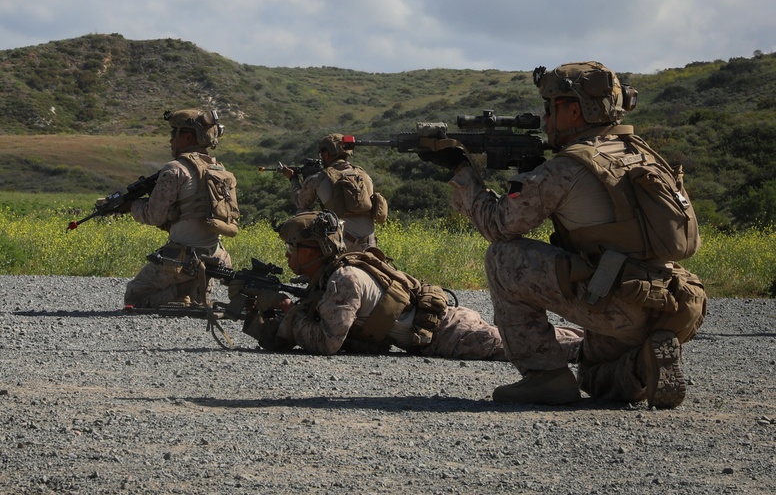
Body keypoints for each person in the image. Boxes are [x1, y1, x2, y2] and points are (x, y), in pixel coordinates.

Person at [423, 61, 707, 408]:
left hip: (615, 302)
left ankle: (545, 378)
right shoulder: (640, 152)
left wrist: (461, 170)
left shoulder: (568, 167)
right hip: (667, 302)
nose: (544, 119)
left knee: (502, 256)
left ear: (574, 111)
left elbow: (497, 225)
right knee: (595, 378)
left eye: (549, 109)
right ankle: (645, 361)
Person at [235, 210, 582, 362]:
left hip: (452, 335)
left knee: (528, 347)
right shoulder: (333, 275)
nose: (289, 255)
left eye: (295, 248)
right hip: (444, 330)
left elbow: (328, 342)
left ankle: (599, 346)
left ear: (317, 250)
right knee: (529, 339)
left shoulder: (344, 279)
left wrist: (291, 319)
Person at [122, 108, 238, 309]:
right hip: (216, 257)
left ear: (185, 137)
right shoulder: (219, 169)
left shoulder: (175, 169)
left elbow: (153, 216)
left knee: (134, 298)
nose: (170, 141)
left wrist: (132, 206)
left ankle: (182, 292)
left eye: (173, 134)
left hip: (183, 259)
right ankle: (194, 289)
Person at [281, 134, 386, 252]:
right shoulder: (364, 175)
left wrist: (292, 178)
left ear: (326, 154)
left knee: (303, 213)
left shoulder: (320, 178)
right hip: (370, 244)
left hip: (341, 244)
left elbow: (300, 202)